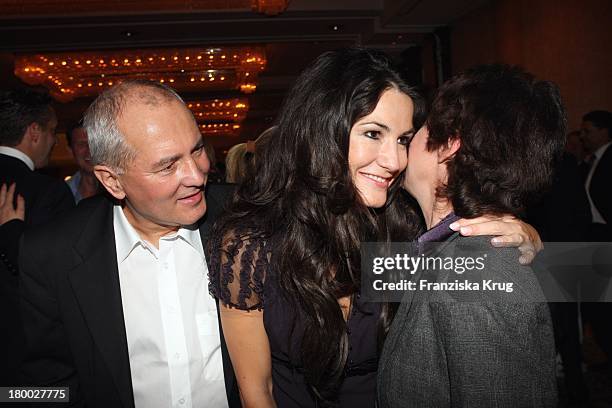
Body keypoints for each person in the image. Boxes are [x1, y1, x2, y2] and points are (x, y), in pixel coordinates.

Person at [207, 49, 542, 407]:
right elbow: (257, 392)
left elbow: (512, 300)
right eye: (372, 133)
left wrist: (531, 237)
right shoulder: (250, 244)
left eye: (402, 140)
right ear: (322, 129)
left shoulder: (402, 226)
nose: (395, 160)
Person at [18, 80, 239, 407]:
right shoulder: (53, 255)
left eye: (197, 149)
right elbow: (47, 386)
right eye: (168, 165)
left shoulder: (248, 218)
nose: (196, 174)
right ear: (112, 180)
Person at [377, 64, 566, 407]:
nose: (404, 147)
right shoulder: (446, 248)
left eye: (418, 130)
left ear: (449, 145)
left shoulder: (474, 276)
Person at [0, 88, 74, 385]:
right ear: (34, 132)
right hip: (26, 353)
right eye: (52, 131)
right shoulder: (47, 192)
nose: (54, 140)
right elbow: (60, 276)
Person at [65, 121, 102, 203]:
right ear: (71, 151)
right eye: (81, 144)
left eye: (93, 143)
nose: (89, 150)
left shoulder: (119, 189)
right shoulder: (62, 193)